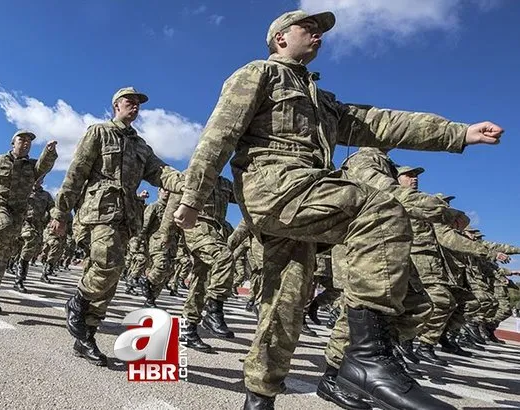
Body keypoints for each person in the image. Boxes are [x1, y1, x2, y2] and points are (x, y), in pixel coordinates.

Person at [171, 9, 503, 410]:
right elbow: (219, 134)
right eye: (307, 29)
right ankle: (363, 360)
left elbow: (381, 123)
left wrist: (459, 133)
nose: (317, 36)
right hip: (275, 188)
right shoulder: (259, 73)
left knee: (285, 304)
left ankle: (259, 399)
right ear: (280, 38)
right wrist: (193, 196)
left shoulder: (323, 102)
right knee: (380, 209)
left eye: (320, 32)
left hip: (305, 196)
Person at [49, 87, 183, 367]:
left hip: (125, 217)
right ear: (116, 106)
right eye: (129, 102)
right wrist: (60, 211)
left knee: (109, 278)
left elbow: (160, 172)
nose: (135, 106)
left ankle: (86, 336)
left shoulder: (141, 146)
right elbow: (77, 172)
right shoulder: (98, 132)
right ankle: (78, 300)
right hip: (98, 211)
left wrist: (186, 182)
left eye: (138, 104)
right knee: (108, 261)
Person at [0, 131, 57, 313]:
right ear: (12, 142)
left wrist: (48, 151)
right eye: (21, 139)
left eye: (29, 141)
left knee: (5, 253)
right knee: (3, 224)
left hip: (17, 212)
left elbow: (44, 167)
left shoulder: (31, 166)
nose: (25, 143)